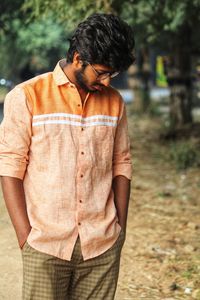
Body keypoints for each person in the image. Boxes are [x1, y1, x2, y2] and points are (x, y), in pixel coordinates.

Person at [0, 13, 134, 300]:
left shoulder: (114, 102)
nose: (107, 81)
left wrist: (119, 228)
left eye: (112, 74)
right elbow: (10, 168)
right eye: (100, 72)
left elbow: (121, 164)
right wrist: (26, 237)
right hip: (45, 245)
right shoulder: (26, 96)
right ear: (77, 58)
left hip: (101, 245)